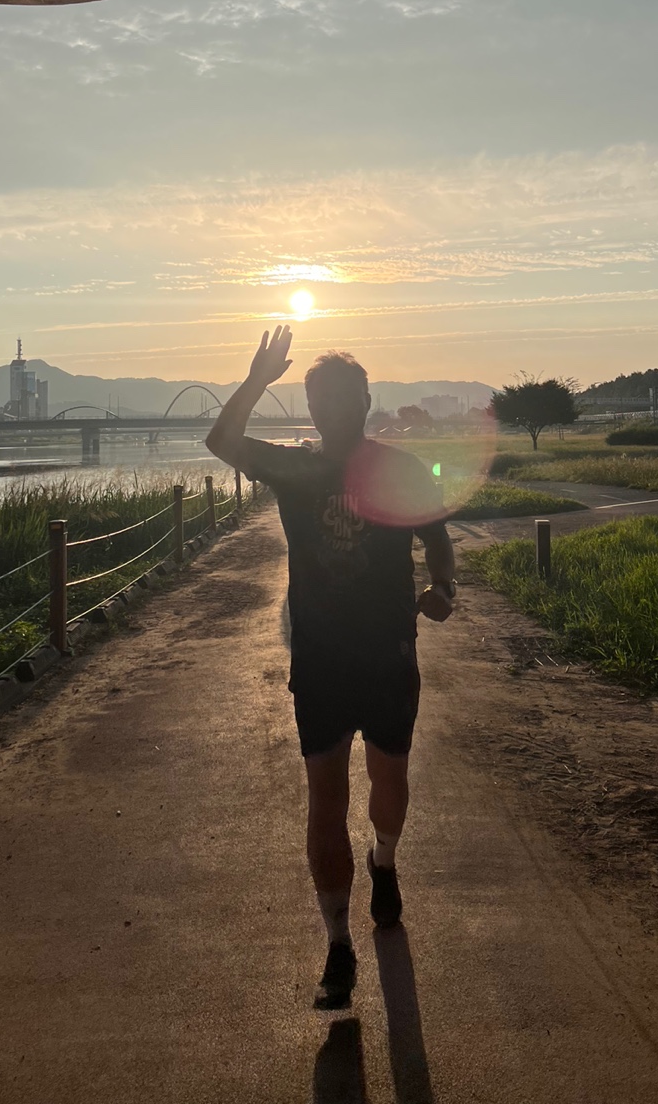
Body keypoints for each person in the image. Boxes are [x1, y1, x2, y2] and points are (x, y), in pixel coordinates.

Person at [206, 325, 456, 1010]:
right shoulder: (295, 467)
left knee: (389, 778)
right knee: (325, 796)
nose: (331, 410)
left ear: (365, 402)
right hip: (320, 659)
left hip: (388, 652)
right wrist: (256, 380)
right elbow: (221, 442)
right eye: (319, 400)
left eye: (343, 398)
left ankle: (385, 861)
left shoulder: (401, 470)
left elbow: (437, 538)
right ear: (309, 407)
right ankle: (338, 946)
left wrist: (443, 586)